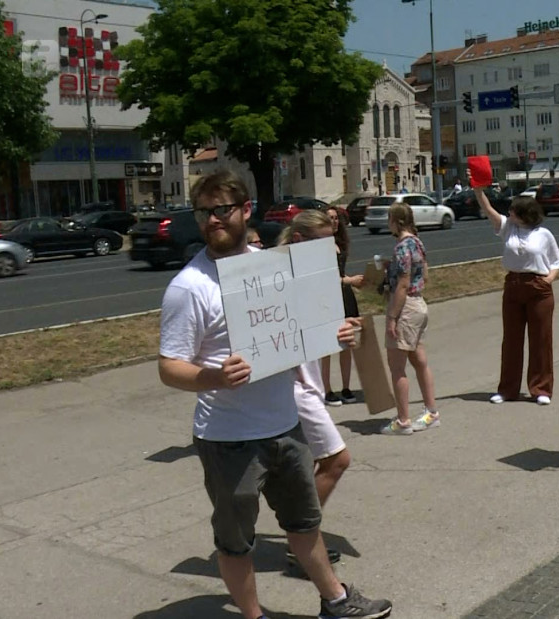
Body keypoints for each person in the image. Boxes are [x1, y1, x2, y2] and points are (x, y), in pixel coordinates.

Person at [158, 170, 391, 619]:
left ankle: (337, 601)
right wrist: (213, 377)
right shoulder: (190, 287)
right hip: (228, 438)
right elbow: (169, 367)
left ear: (246, 211)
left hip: (285, 425)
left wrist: (334, 333)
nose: (212, 220)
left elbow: (299, 328)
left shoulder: (271, 269)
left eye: (222, 209)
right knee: (236, 539)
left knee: (305, 524)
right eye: (203, 211)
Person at [277, 210, 352, 569]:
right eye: (324, 242)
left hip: (308, 383)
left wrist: (342, 330)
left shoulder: (312, 274)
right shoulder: (282, 276)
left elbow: (318, 330)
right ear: (299, 242)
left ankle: (302, 538)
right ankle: (302, 541)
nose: (332, 249)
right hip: (295, 387)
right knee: (337, 460)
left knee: (303, 468)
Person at [473, 185, 559, 405]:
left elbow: (557, 262)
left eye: (513, 211)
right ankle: (507, 389)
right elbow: (488, 209)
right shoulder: (507, 228)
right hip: (514, 285)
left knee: (541, 339)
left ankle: (541, 389)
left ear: (524, 214)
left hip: (538, 288)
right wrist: (478, 191)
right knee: (512, 340)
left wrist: (548, 280)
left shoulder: (544, 235)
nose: (509, 213)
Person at [379, 202, 439, 435]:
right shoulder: (417, 243)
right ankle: (431, 411)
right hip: (419, 303)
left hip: (405, 307)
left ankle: (403, 420)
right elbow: (422, 272)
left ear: (395, 221)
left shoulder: (402, 247)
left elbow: (403, 284)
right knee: (419, 360)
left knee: (397, 367)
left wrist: (392, 317)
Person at [319, 207, 364, 406]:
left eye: (336, 218)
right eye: (330, 218)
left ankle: (346, 388)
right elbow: (325, 277)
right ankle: (326, 389)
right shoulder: (319, 245)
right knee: (327, 346)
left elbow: (341, 273)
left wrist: (353, 281)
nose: (335, 221)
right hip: (328, 296)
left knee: (346, 342)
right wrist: (349, 280)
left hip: (345, 295)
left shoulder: (339, 242)